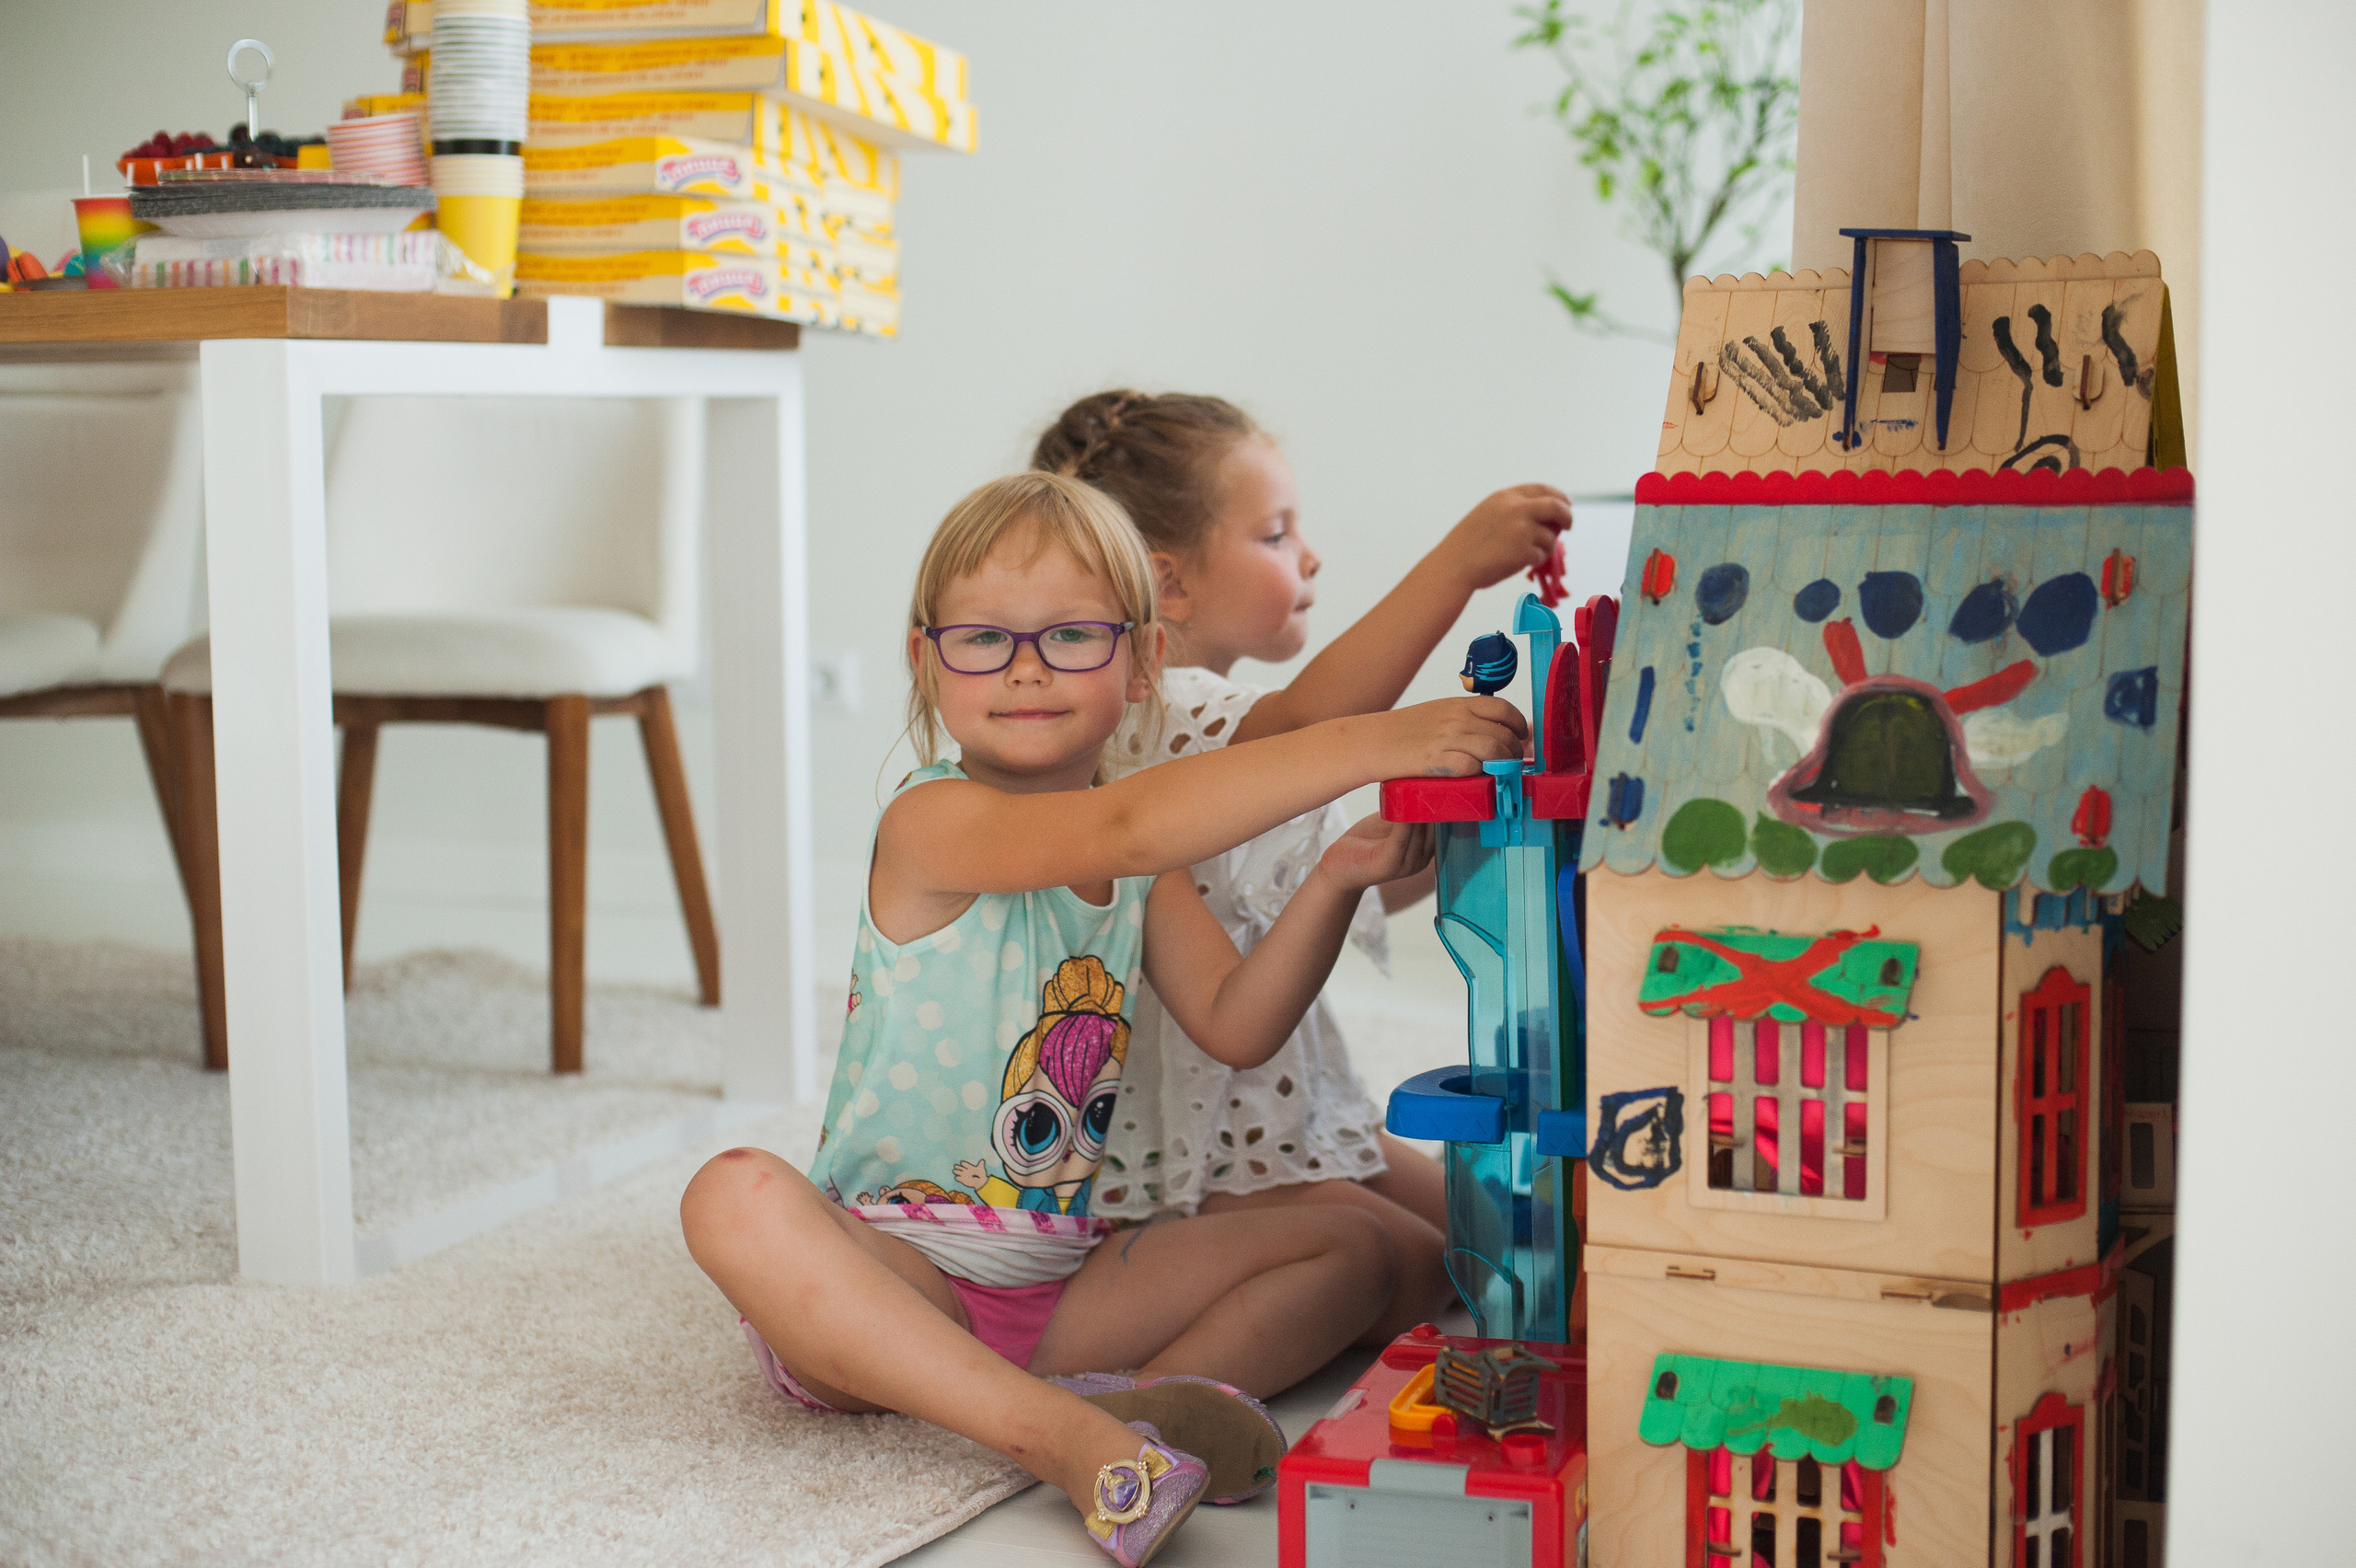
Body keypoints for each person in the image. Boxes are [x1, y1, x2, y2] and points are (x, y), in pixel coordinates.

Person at [678, 471, 1525, 1566]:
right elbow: (1122, 825)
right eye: (983, 639)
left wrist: (1336, 881)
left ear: (1141, 664)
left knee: (1358, 1247)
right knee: (733, 1193)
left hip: (1058, 1284)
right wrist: (1376, 743)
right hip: (897, 1272)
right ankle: (1062, 1440)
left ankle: (1135, 1410)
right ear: (924, 660)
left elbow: (1237, 1025)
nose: (1026, 667)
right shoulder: (931, 822)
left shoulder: (1144, 873)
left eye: (1072, 636)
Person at [1032, 391, 1572, 1343]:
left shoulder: (1214, 734)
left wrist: (1478, 827)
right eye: (1276, 534)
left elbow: (1322, 892)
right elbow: (1315, 719)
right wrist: (1457, 564)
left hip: (1276, 1111)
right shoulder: (1150, 718)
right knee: (1428, 1265)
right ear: (1168, 584)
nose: (1309, 557)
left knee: (1504, 1238)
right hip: (1192, 1145)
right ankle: (1167, 1347)